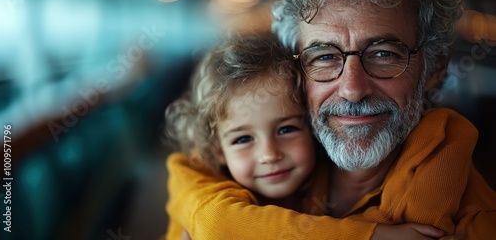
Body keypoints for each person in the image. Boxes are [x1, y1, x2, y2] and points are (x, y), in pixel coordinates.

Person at [165, 0, 496, 239]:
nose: (352, 89)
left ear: (436, 68)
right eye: (323, 57)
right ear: (297, 76)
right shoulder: (233, 168)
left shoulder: (474, 220)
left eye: (383, 53)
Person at [164, 34, 447, 240]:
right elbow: (219, 226)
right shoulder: (191, 177)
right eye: (242, 139)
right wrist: (374, 236)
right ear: (216, 150)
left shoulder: (320, 183)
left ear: (313, 127)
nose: (269, 154)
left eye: (286, 129)